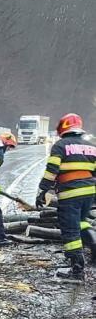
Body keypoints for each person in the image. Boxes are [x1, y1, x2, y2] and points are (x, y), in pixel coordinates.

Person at [36, 113, 96, 281]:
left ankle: (77, 269)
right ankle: (93, 241)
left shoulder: (60, 146)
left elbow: (51, 171)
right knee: (80, 222)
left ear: (63, 128)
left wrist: (43, 191)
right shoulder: (91, 147)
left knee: (70, 229)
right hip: (89, 193)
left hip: (70, 194)